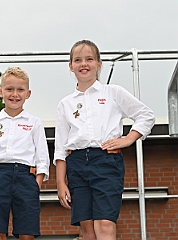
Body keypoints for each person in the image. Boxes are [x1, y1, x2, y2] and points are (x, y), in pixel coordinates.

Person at [54, 39, 155, 240]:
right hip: (76, 166)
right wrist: (60, 183)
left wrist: (128, 139)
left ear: (99, 64)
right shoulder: (65, 104)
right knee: (88, 231)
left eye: (89, 59)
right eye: (78, 60)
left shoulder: (113, 93)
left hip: (107, 163)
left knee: (105, 225)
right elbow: (60, 148)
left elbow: (146, 115)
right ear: (70, 66)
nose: (84, 64)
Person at [0, 67, 50, 239]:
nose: (14, 94)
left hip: (26, 179)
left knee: (26, 234)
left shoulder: (35, 123)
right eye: (9, 89)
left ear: (28, 93)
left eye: (20, 90)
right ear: (0, 92)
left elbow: (42, 159)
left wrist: (35, 185)